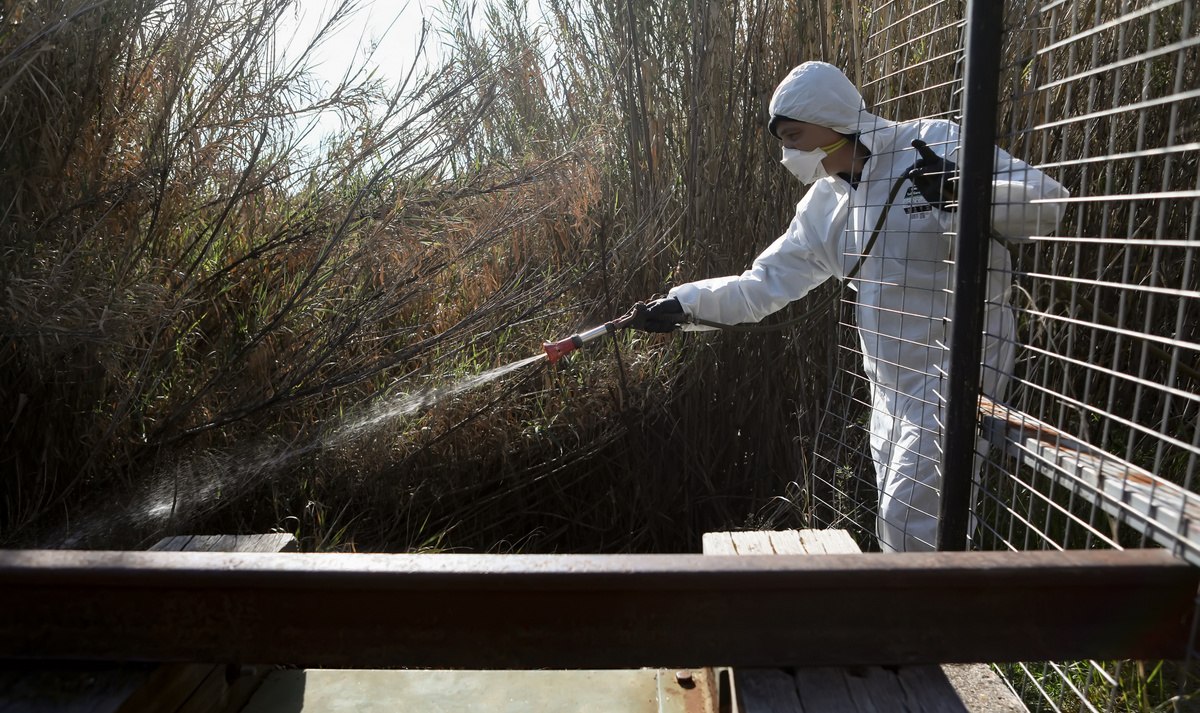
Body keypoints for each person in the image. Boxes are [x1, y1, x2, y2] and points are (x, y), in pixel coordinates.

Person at [627, 61, 1068, 552]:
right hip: (890, 388)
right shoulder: (823, 208)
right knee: (919, 527)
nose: (789, 153)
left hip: (960, 365)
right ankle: (940, 623)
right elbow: (762, 285)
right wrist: (682, 304)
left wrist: (963, 192)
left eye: (795, 136)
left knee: (907, 523)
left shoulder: (935, 143)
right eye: (785, 141)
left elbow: (1047, 207)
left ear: (830, 118)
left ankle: (922, 626)